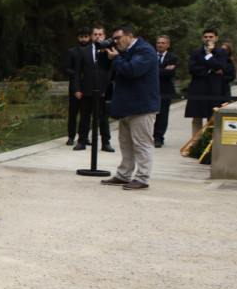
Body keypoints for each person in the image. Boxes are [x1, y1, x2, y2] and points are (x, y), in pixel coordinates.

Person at [100, 24, 159, 190]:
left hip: (142, 105)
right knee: (125, 143)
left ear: (130, 35)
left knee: (142, 143)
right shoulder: (125, 51)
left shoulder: (145, 50)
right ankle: (124, 174)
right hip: (127, 105)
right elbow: (112, 71)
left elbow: (132, 70)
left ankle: (142, 178)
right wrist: (107, 55)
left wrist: (116, 58)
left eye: (118, 38)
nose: (116, 41)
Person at [72, 25, 114, 152]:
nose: (98, 37)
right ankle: (82, 141)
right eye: (95, 34)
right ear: (92, 36)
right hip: (87, 89)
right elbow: (77, 71)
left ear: (104, 36)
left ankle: (105, 142)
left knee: (103, 118)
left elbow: (113, 69)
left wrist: (107, 55)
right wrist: (77, 88)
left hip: (103, 89)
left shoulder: (110, 52)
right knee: (85, 117)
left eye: (100, 34)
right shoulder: (84, 51)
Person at [185, 28, 230, 136]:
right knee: (196, 118)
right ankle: (195, 143)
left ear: (216, 38)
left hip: (214, 89)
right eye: (205, 37)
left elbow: (220, 66)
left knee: (213, 117)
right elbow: (192, 69)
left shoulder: (222, 52)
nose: (208, 39)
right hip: (198, 88)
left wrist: (209, 54)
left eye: (211, 37)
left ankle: (209, 144)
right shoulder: (196, 52)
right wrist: (210, 70)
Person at [64, 27, 92, 146]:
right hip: (75, 85)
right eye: (81, 37)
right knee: (73, 112)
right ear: (78, 37)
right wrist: (77, 73)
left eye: (86, 37)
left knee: (86, 113)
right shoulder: (72, 51)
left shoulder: (92, 51)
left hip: (88, 85)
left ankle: (84, 136)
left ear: (89, 37)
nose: (84, 39)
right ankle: (71, 136)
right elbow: (66, 68)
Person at [153, 34, 180, 147]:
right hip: (152, 89)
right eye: (159, 43)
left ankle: (159, 138)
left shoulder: (173, 58)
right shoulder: (151, 56)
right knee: (150, 115)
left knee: (163, 115)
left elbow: (171, 73)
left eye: (163, 43)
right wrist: (163, 70)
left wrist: (157, 70)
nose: (160, 45)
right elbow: (148, 71)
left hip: (165, 90)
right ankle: (149, 136)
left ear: (168, 45)